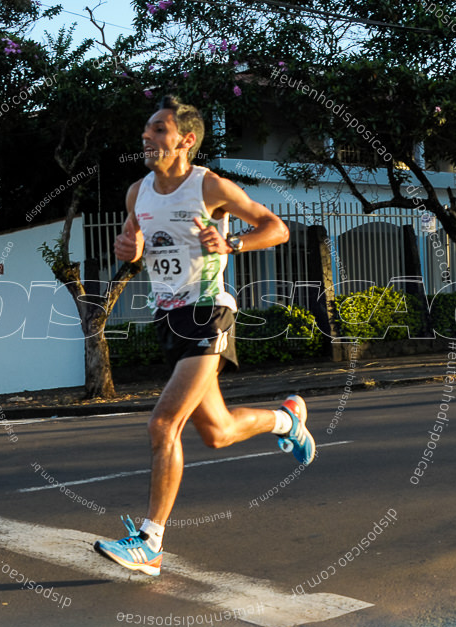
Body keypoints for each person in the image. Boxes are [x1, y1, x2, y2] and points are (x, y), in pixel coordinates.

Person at [93, 95, 316, 576]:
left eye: (158, 130)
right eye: (146, 129)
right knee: (217, 433)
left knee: (162, 425)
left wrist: (233, 241)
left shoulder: (210, 185)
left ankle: (150, 543)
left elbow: (275, 229)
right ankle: (285, 419)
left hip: (209, 312)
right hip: (169, 317)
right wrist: (127, 248)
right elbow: (135, 248)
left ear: (185, 140)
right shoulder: (137, 193)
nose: (147, 137)